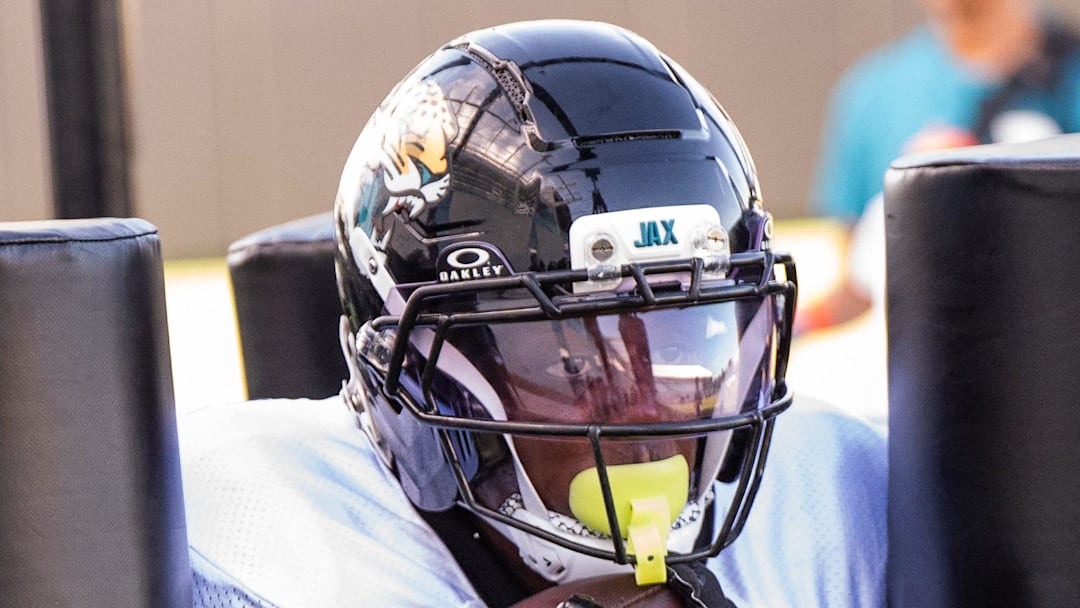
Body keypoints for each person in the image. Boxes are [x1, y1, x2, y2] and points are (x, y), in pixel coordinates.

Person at [181, 20, 887, 607]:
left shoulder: (832, 500)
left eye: (684, 336)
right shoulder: (260, 534)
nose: (644, 417)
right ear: (417, 373)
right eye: (570, 360)